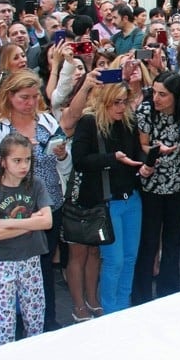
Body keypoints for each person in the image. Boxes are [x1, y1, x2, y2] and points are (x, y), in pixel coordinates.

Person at [0, 70, 71, 331]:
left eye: (35, 97)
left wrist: (60, 154)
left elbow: (66, 162)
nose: (31, 103)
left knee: (44, 264)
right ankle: (15, 323)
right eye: (24, 97)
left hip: (50, 203)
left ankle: (45, 320)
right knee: (15, 266)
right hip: (16, 207)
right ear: (9, 97)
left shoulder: (47, 120)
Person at [71, 82, 150, 315]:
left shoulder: (128, 122)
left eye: (124, 102)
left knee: (129, 258)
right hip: (107, 201)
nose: (121, 107)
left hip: (131, 198)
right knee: (114, 261)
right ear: (104, 101)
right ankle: (111, 310)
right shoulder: (89, 122)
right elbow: (80, 160)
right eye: (116, 102)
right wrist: (111, 158)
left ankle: (123, 307)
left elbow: (135, 156)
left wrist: (143, 167)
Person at [0, 133, 51, 345]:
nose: (23, 166)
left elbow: (47, 222)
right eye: (17, 160)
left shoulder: (35, 184)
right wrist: (31, 222)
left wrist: (7, 223)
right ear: (3, 161)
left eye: (27, 159)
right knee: (6, 319)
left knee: (35, 314)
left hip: (31, 258)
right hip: (2, 261)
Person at [133, 71, 180, 302]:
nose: (156, 98)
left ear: (175, 96)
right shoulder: (145, 111)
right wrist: (154, 150)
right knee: (148, 241)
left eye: (163, 94)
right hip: (150, 184)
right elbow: (141, 144)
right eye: (154, 92)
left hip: (178, 184)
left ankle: (168, 291)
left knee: (172, 241)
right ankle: (140, 295)